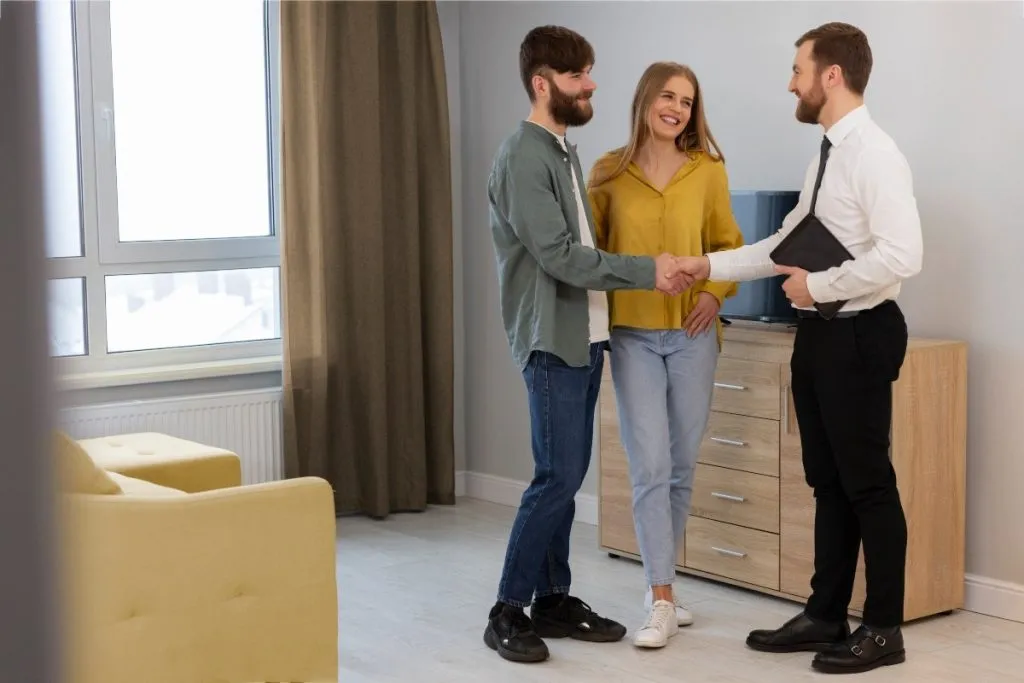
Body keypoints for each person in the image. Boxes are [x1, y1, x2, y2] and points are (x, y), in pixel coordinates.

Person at [676, 22, 922, 674]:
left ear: (830, 76)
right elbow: (783, 243)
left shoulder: (874, 152)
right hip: (818, 337)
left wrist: (821, 283)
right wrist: (705, 265)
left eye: (798, 69)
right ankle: (825, 612)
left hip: (860, 333)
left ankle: (884, 628)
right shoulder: (826, 153)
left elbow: (904, 253)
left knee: (868, 484)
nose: (791, 81)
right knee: (828, 482)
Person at [484, 26, 692, 664]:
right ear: (543, 83)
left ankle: (553, 598)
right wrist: (645, 269)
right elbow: (559, 258)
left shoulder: (563, 152)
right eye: (577, 76)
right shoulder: (524, 155)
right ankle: (507, 610)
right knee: (557, 477)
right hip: (551, 340)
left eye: (591, 71)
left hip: (586, 337)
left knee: (566, 478)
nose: (591, 83)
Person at [586, 61, 744, 649]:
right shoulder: (607, 174)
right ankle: (660, 597)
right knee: (649, 465)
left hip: (694, 336)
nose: (676, 108)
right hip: (632, 334)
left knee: (681, 466)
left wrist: (712, 292)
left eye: (686, 100)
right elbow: (593, 257)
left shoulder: (708, 171)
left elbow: (729, 246)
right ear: (646, 98)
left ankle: (665, 586)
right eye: (668, 96)